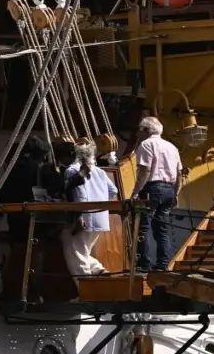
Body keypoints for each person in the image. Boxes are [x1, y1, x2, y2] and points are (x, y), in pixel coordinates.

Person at [132, 116, 183, 272]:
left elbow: (145, 170)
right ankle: (163, 264)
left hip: (152, 189)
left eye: (140, 130)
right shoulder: (172, 147)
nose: (138, 133)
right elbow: (179, 173)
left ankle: (144, 264)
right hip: (169, 189)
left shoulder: (146, 144)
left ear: (146, 130)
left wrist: (135, 192)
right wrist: (176, 194)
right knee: (162, 228)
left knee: (143, 226)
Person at [61, 140, 118, 278]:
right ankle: (98, 270)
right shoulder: (99, 171)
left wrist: (79, 216)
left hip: (84, 217)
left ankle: (85, 290)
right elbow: (113, 191)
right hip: (101, 218)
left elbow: (80, 195)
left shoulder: (72, 170)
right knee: (83, 250)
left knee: (75, 253)